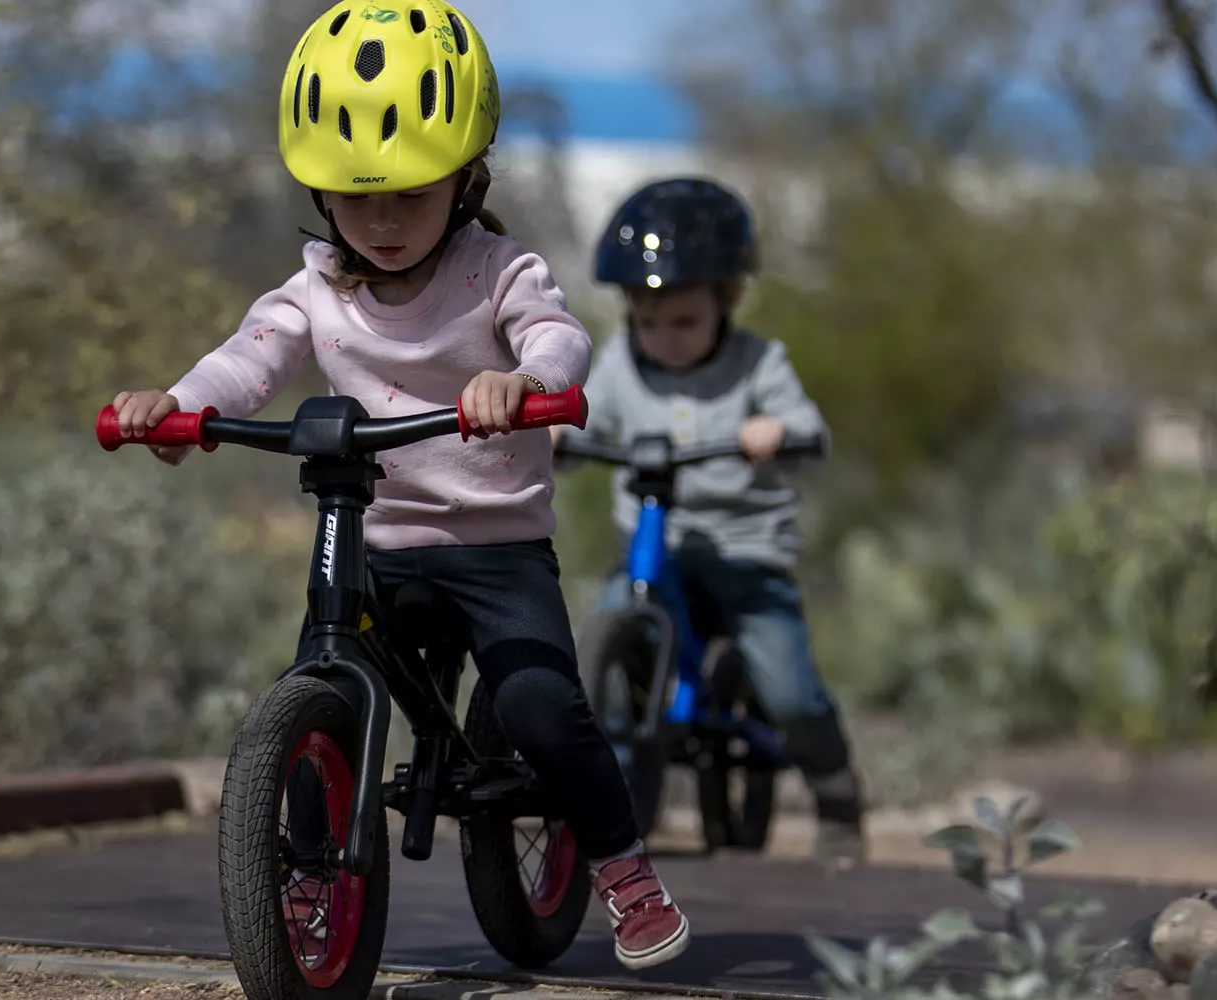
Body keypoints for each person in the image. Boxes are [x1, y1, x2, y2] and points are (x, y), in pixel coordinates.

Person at [108, 1, 691, 970]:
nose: (380, 220)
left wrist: (528, 381)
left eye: (410, 193)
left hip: (496, 543)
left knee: (544, 707)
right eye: (354, 194)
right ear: (318, 187)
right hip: (373, 535)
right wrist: (175, 406)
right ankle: (304, 877)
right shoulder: (316, 290)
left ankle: (625, 868)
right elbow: (246, 359)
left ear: (467, 177)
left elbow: (560, 336)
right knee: (314, 689)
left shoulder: (499, 271)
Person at [552, 177, 868, 862]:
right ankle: (608, 792)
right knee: (603, 646)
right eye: (646, 321)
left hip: (744, 549)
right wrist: (558, 435)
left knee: (787, 686)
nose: (663, 338)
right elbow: (583, 416)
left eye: (685, 321)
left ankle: (836, 789)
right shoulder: (618, 364)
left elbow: (810, 432)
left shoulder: (760, 362)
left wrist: (775, 432)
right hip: (652, 550)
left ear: (727, 299)